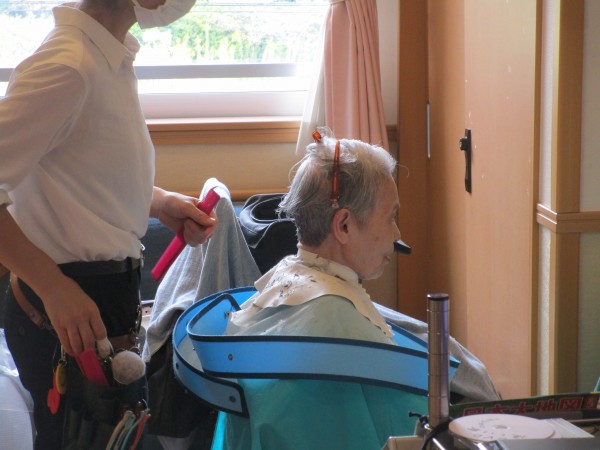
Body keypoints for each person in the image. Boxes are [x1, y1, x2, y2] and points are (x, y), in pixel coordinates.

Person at [0, 0, 214, 448]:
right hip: (65, 305)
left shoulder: (104, 59)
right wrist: (53, 288)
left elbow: (81, 172)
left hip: (97, 298)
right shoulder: (69, 66)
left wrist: (159, 203)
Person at [210, 129, 500, 450]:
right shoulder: (341, 325)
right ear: (344, 225)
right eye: (390, 217)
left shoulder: (282, 281)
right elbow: (410, 431)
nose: (397, 233)